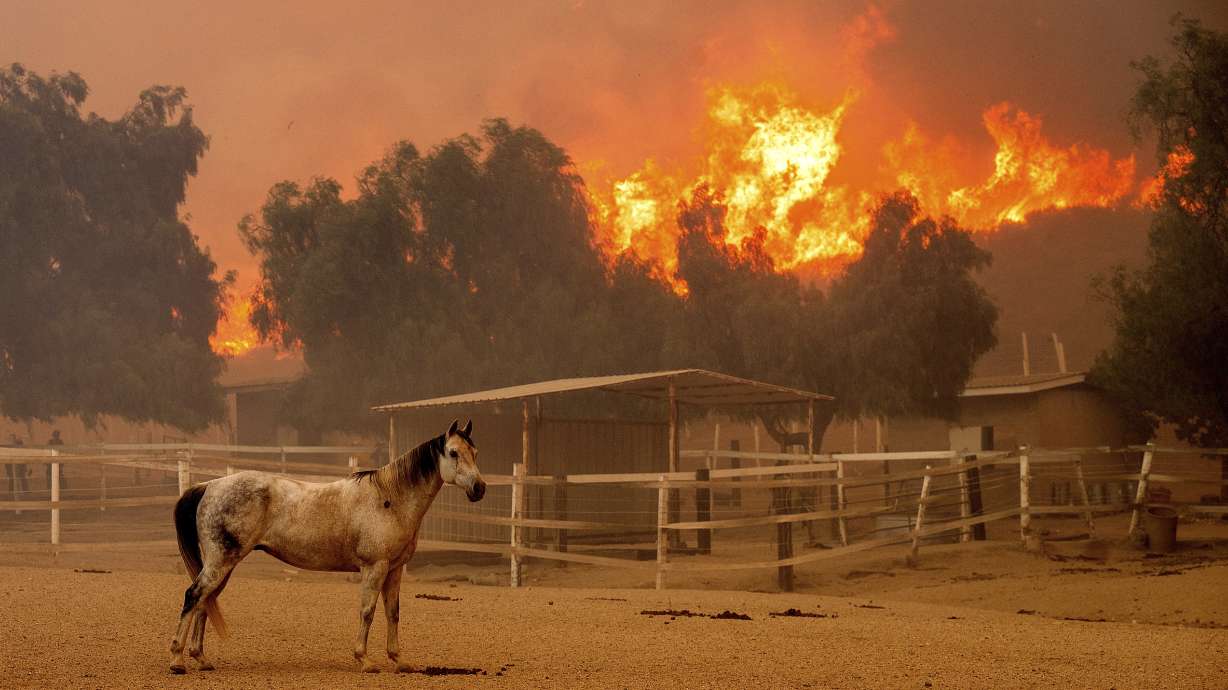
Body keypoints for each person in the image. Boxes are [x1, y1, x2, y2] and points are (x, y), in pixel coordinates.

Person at [5, 433, 29, 500]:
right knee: (12, 479)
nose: (11, 440)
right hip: (12, 466)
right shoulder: (9, 448)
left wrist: (24, 467)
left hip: (20, 465)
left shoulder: (19, 446)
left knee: (22, 478)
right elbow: (7, 460)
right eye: (10, 438)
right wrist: (8, 470)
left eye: (12, 438)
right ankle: (11, 492)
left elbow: (23, 457)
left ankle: (25, 492)